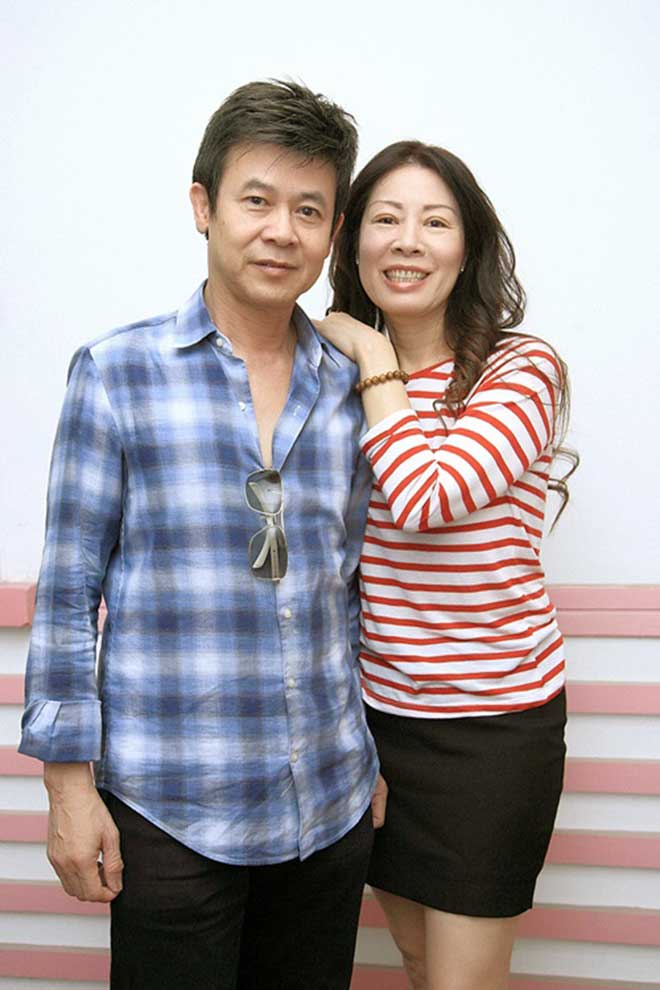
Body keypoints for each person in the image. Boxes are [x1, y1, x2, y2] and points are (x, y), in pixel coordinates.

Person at [19, 80, 386, 990]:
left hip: (329, 803)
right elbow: (67, 593)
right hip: (171, 807)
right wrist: (67, 788)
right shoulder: (117, 372)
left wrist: (366, 753)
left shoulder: (353, 389)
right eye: (256, 200)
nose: (281, 231)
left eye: (309, 210)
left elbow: (351, 586)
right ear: (203, 206)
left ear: (332, 232)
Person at [314, 140, 573, 990]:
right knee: (423, 964)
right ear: (353, 241)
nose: (408, 241)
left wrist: (370, 354)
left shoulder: (520, 369)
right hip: (377, 725)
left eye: (435, 222)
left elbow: (428, 496)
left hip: (495, 731)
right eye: (386, 219)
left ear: (468, 247)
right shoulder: (325, 377)